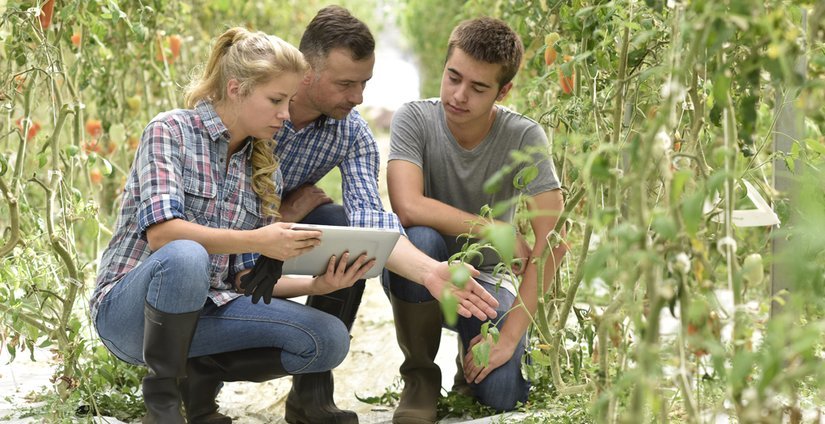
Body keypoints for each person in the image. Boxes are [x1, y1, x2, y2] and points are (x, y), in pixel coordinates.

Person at [89, 27, 375, 424]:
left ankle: (201, 372)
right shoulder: (170, 131)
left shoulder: (263, 169)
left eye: (289, 101)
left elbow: (243, 280)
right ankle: (164, 407)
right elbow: (163, 234)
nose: (286, 115)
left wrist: (318, 286)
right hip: (133, 317)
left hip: (206, 315)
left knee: (328, 339)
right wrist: (259, 239)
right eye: (276, 100)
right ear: (237, 88)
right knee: (186, 255)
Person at [258, 6, 501, 424]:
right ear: (306, 73)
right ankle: (192, 386)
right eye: (346, 84)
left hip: (272, 238)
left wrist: (429, 272)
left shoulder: (351, 130)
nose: (358, 98)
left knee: (344, 232)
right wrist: (278, 212)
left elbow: (371, 219)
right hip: (223, 236)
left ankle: (311, 398)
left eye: (364, 83)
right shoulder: (254, 105)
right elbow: (210, 198)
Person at [383, 17, 568, 422]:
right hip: (423, 272)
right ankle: (420, 376)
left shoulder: (523, 136)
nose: (458, 95)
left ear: (504, 91)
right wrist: (494, 230)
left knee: (503, 395)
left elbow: (552, 242)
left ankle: (469, 366)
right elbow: (408, 206)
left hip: (485, 281)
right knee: (420, 235)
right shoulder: (414, 119)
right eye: (453, 78)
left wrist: (513, 332)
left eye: (478, 87)